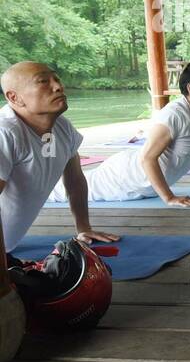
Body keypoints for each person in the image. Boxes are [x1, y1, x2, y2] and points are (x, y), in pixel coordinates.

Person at [49, 61, 190, 207]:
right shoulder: (175, 115)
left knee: (64, 185)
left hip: (142, 185)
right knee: (56, 192)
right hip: (124, 178)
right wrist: (169, 197)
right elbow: (147, 158)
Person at [0, 62, 119, 254]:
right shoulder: (5, 133)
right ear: (14, 97)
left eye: (56, 79)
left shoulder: (62, 128)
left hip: (8, 247)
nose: (57, 86)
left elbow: (75, 180)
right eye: (43, 81)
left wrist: (83, 228)